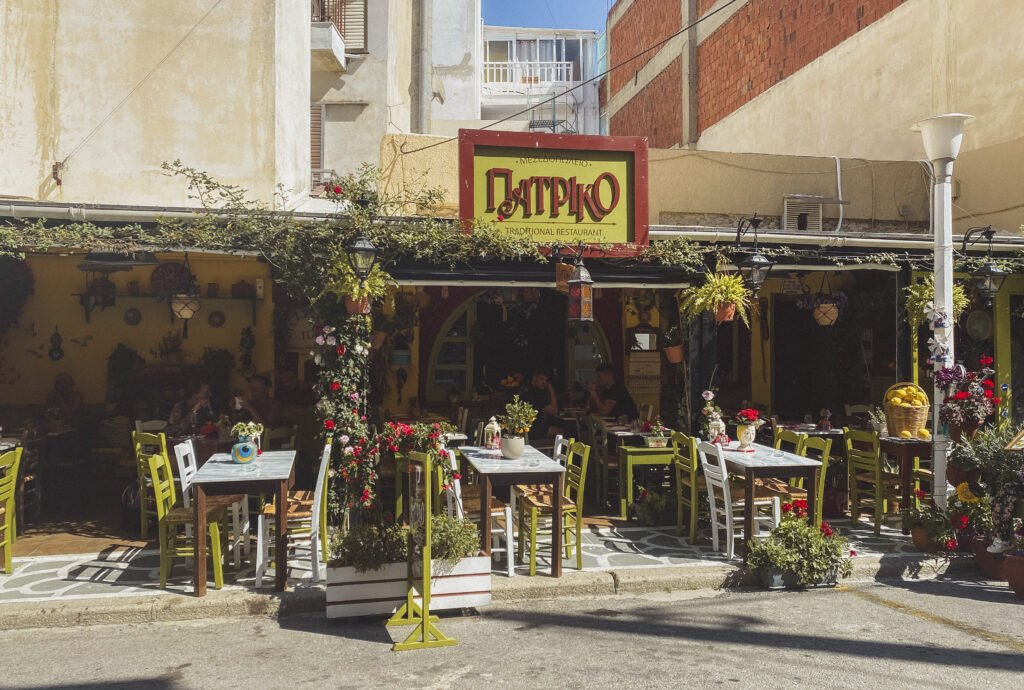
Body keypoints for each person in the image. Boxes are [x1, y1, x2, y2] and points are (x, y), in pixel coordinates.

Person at [520, 369, 563, 439]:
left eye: (546, 380)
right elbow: (554, 411)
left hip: (527, 428)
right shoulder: (534, 394)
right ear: (534, 379)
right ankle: (558, 450)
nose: (544, 383)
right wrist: (552, 390)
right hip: (532, 430)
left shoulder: (529, 391)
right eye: (541, 379)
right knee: (560, 432)